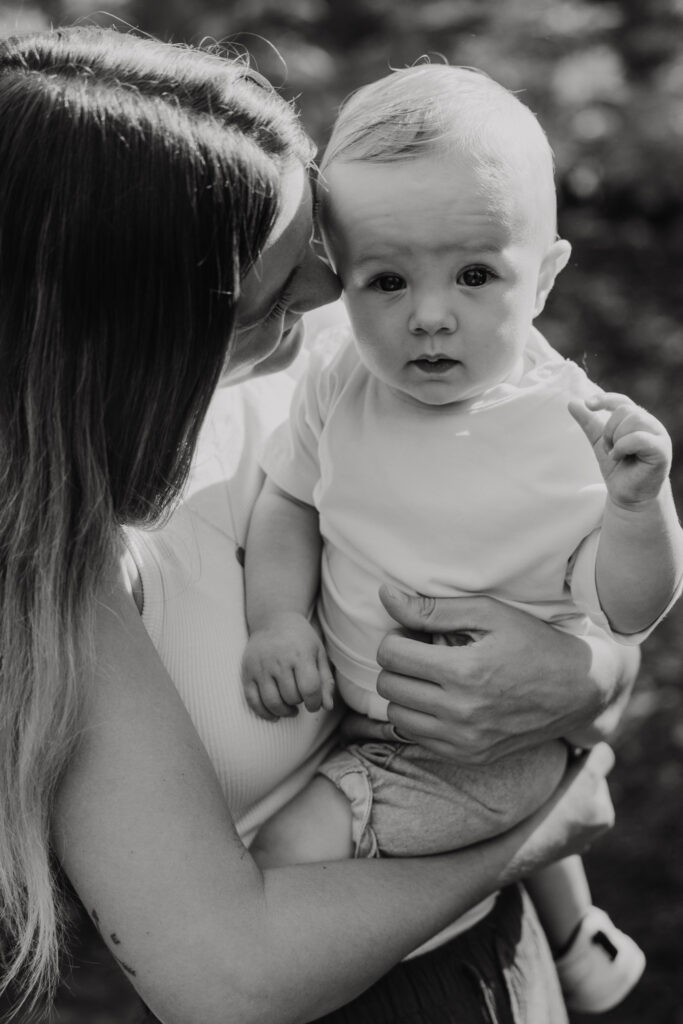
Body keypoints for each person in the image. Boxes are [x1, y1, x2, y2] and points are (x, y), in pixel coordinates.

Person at [0, 28, 633, 1024]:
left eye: (327, 250)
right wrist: (544, 824)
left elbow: (579, 578)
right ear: (145, 336)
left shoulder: (391, 331)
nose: (333, 288)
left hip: (501, 958)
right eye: (278, 281)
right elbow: (227, 978)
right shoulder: (60, 569)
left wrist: (586, 678)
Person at [242, 65, 683, 1014]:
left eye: (476, 275)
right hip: (364, 712)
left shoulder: (568, 430)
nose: (430, 314)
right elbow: (288, 506)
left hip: (472, 748)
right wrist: (277, 623)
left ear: (547, 275)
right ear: (336, 273)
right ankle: (582, 945)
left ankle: (552, 937)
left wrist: (640, 514)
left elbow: (624, 611)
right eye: (387, 280)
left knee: (280, 855)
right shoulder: (337, 378)